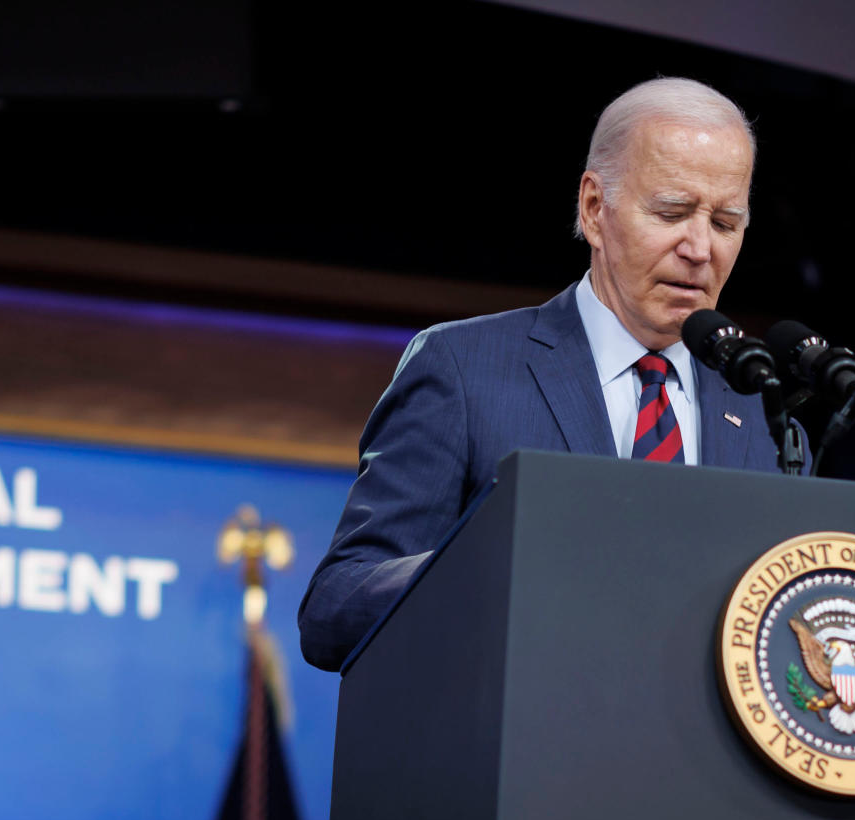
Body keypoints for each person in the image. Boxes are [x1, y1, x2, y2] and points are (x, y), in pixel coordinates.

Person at [298, 77, 808, 672]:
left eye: (724, 223)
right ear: (595, 209)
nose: (699, 248)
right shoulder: (463, 369)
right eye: (671, 212)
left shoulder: (760, 408)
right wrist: (493, 564)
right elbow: (335, 611)